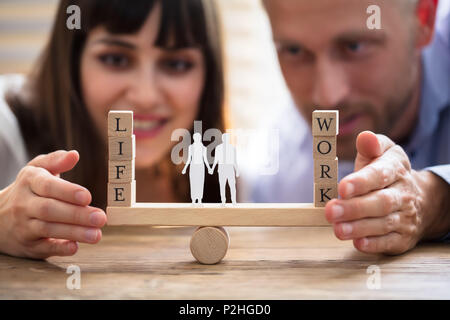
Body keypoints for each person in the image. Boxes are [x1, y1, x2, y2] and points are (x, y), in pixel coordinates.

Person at [0, 0, 225, 259]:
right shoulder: (6, 128)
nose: (145, 96)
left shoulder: (226, 180)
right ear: (72, 61)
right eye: (116, 59)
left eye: (176, 64)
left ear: (209, 76)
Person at [249, 0, 450, 254]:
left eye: (354, 46)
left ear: (424, 19)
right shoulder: (278, 181)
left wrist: (437, 200)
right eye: (293, 50)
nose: (327, 97)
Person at [182, 133, 211, 204]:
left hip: (201, 166)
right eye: (196, 137)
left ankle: (199, 199)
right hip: (193, 166)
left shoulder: (203, 148)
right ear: (194, 138)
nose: (197, 138)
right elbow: (189, 159)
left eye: (198, 137)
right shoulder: (191, 147)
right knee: (193, 182)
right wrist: (185, 168)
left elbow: (205, 159)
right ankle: (194, 199)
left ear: (200, 138)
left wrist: (209, 168)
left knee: (200, 182)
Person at [210, 133, 239, 204]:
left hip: (230, 167)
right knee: (222, 185)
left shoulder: (232, 148)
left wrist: (237, 170)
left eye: (227, 138)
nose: (226, 139)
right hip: (222, 168)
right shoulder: (219, 148)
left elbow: (234, 160)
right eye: (224, 138)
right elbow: (216, 160)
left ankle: (234, 200)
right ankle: (223, 200)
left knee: (232, 185)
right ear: (222, 139)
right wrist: (212, 169)